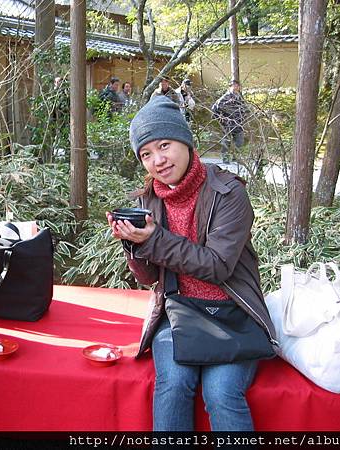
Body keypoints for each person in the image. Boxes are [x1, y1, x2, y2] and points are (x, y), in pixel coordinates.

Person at [106, 96, 276, 432]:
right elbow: (149, 278)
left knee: (222, 393)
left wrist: (153, 240)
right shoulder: (147, 202)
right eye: (146, 154)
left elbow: (217, 266)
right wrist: (133, 245)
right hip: (179, 313)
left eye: (164, 145)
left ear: (185, 140)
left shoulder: (229, 193)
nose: (158, 160)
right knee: (172, 386)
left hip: (232, 315)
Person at [212, 79, 247, 162]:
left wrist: (244, 115)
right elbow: (215, 108)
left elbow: (243, 108)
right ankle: (225, 158)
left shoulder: (239, 96)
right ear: (230, 87)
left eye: (237, 86)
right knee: (227, 141)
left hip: (238, 123)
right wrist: (221, 119)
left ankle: (236, 157)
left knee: (239, 141)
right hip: (228, 123)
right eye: (234, 85)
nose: (236, 87)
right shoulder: (226, 97)